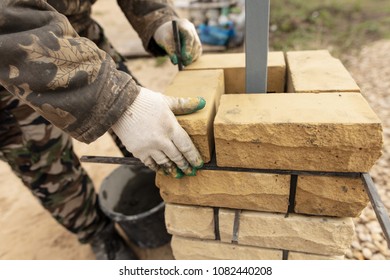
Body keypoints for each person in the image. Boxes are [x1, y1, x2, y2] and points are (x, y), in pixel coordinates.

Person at [0, 0, 204, 260]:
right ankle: (98, 233)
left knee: (149, 131)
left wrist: (158, 18)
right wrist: (117, 102)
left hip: (77, 36)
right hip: (7, 71)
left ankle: (156, 190)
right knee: (47, 167)